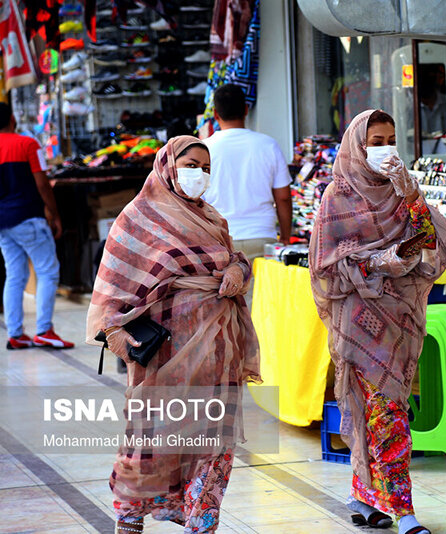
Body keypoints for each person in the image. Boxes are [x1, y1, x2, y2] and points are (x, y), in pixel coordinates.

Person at [309, 110, 446, 534]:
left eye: (390, 139)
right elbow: (326, 266)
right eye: (375, 140)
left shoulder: (403, 192)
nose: (385, 148)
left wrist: (412, 198)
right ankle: (403, 511)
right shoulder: (337, 198)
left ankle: (364, 496)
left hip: (401, 316)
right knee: (387, 412)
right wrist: (382, 260)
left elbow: (431, 244)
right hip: (359, 318)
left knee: (383, 409)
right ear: (356, 146)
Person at [86, 136, 261, 533]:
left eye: (206, 167)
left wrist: (237, 271)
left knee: (215, 448)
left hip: (219, 355)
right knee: (151, 444)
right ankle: (130, 519)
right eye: (191, 164)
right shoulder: (138, 217)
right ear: (168, 164)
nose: (200, 174)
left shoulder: (213, 218)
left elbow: (232, 257)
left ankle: (202, 523)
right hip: (166, 359)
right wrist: (113, 329)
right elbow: (112, 281)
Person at [0, 102, 73, 349]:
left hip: (3, 222)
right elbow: (43, 184)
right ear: (12, 119)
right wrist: (54, 213)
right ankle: (44, 330)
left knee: (15, 276)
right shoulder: (28, 144)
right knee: (48, 271)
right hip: (28, 217)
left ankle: (16, 333)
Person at [203, 84, 293, 260]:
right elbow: (283, 197)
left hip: (219, 239)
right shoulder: (268, 145)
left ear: (215, 114)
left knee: (228, 288)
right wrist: (285, 237)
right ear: (246, 110)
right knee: (262, 288)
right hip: (262, 236)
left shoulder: (204, 149)